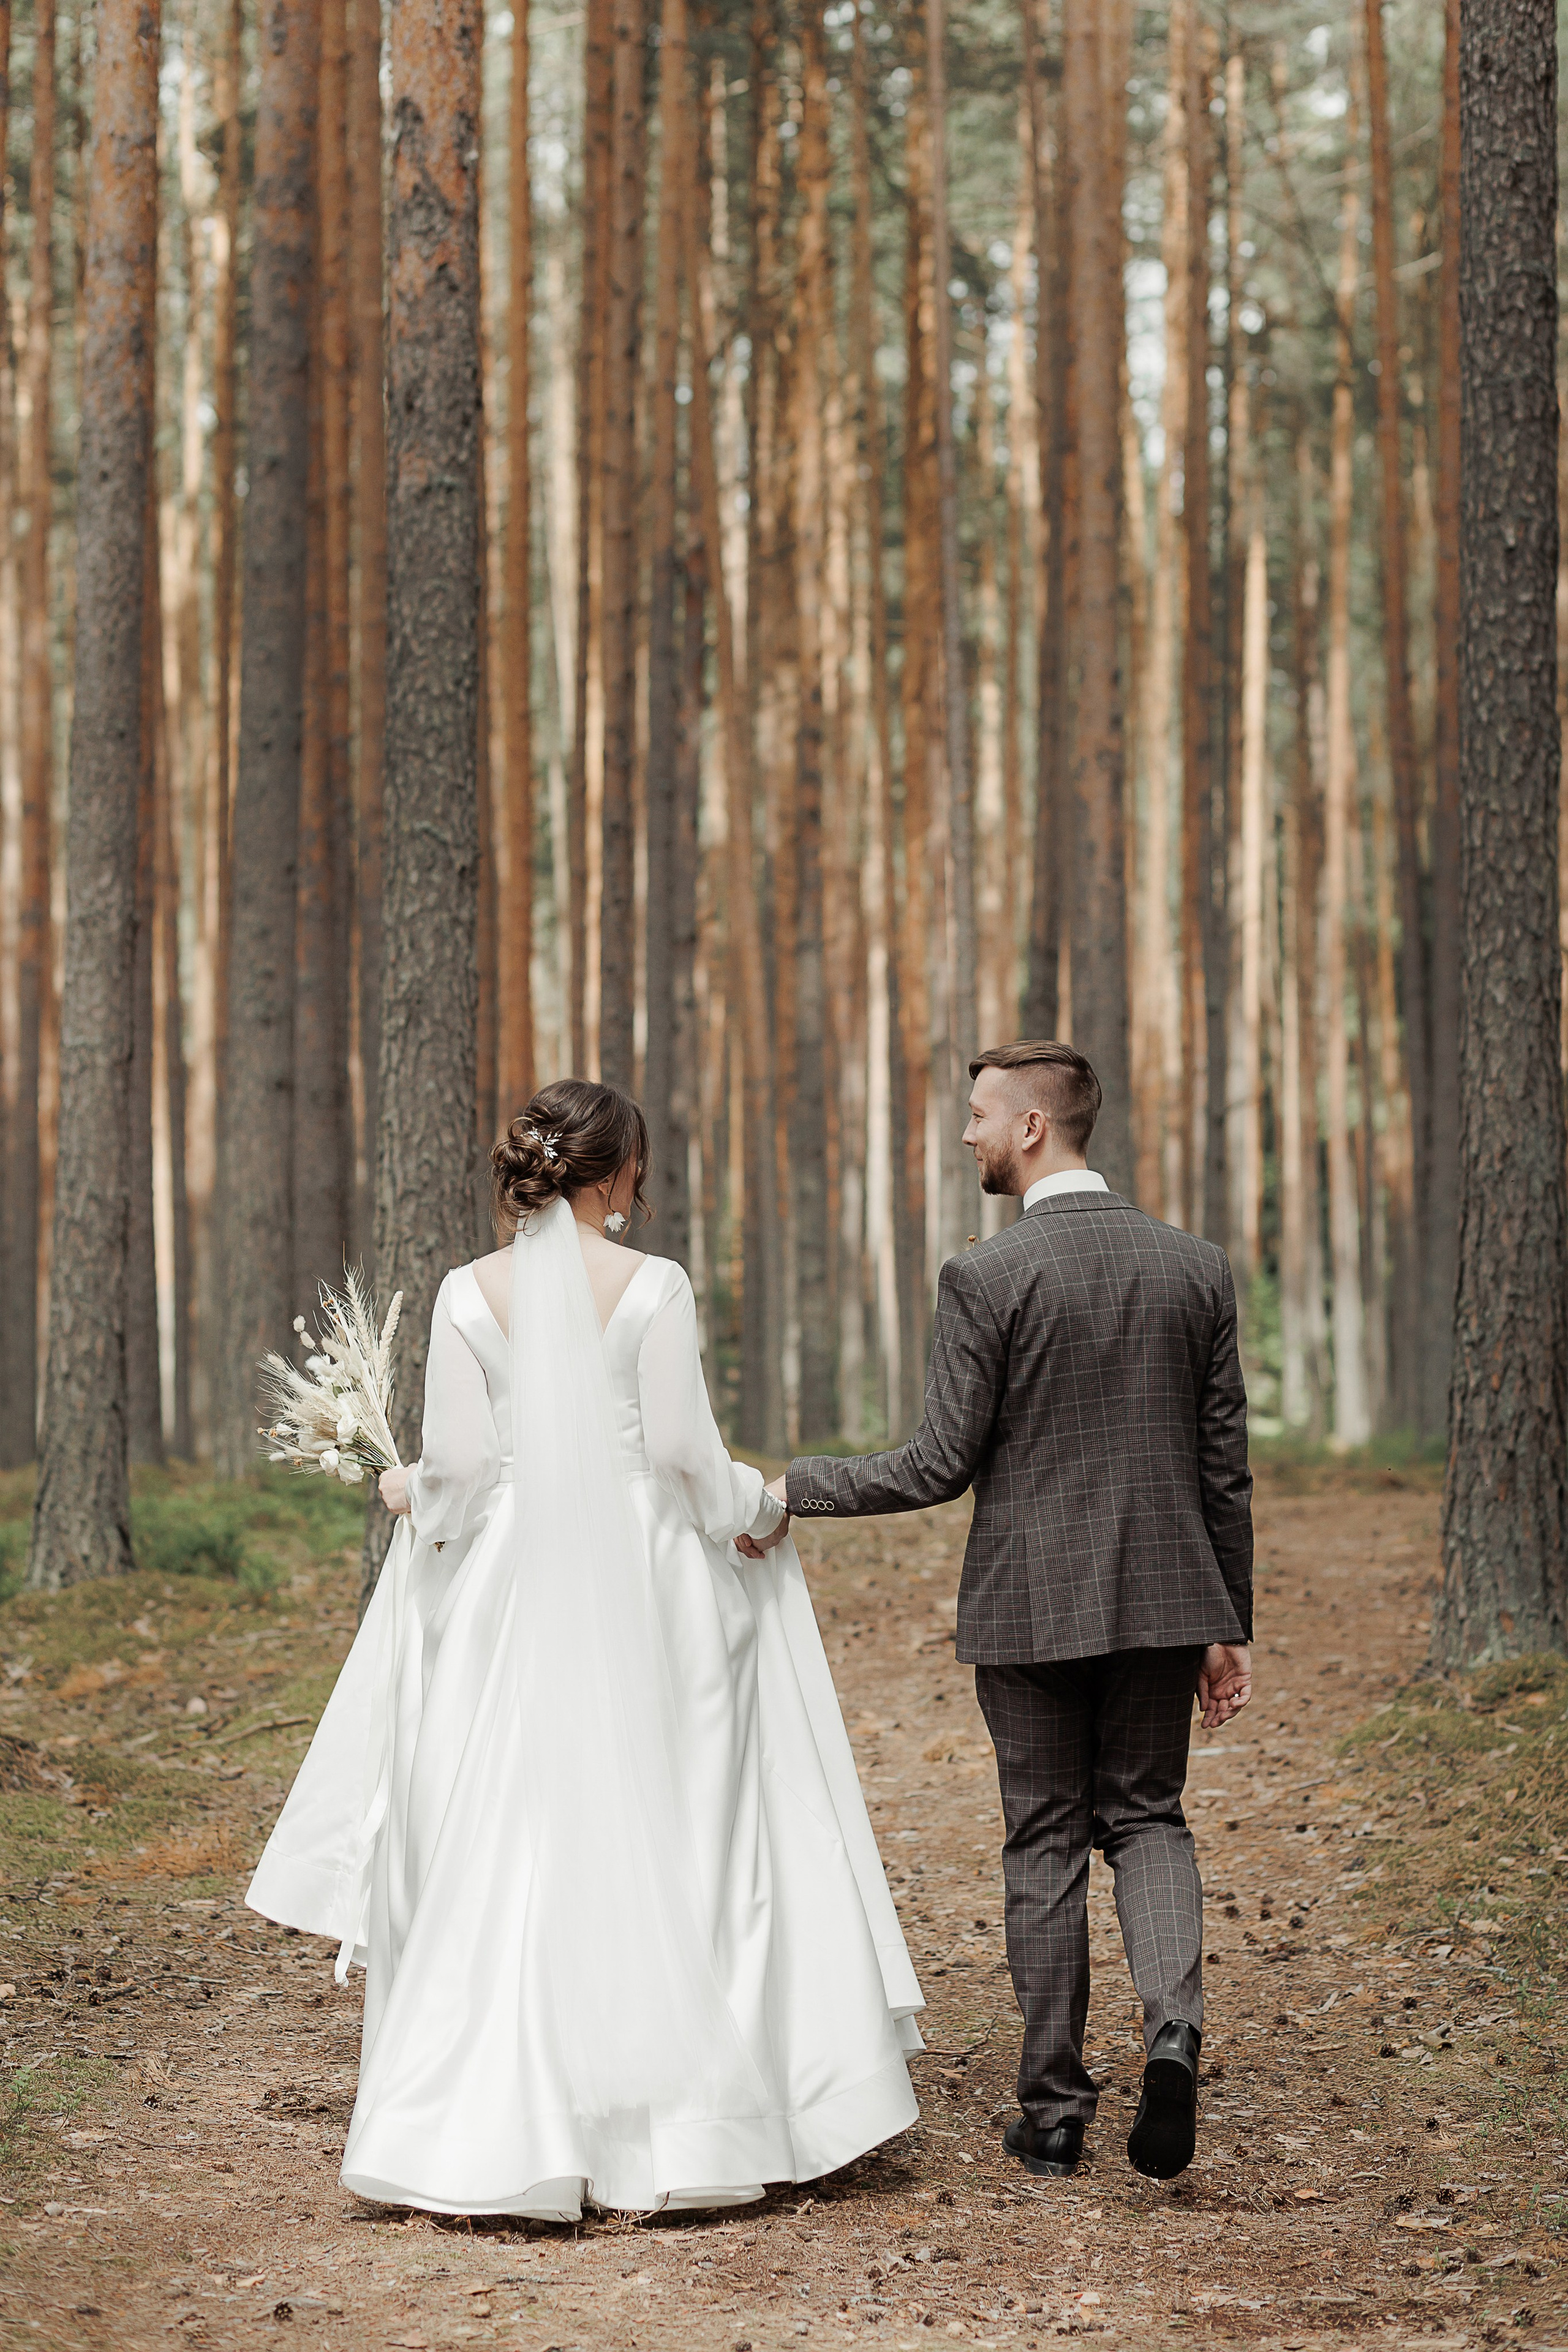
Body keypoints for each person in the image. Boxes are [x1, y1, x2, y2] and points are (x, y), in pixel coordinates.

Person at [247, 1077, 922, 2220]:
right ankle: (703, 2116)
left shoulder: (468, 1292)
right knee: (686, 1816)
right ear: (615, 1174)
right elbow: (678, 1455)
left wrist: (402, 1486)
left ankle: (496, 2122)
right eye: (639, 1169)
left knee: (509, 1828)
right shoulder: (653, 1285)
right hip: (648, 1574)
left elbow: (456, 1481)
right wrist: (757, 1508)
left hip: (511, 1576)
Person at [772, 1039, 1253, 2183]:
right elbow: (1222, 1466)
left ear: (1035, 1127)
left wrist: (795, 1486)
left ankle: (1054, 2112)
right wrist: (1228, 1616)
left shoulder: (986, 1277)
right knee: (1149, 1820)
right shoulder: (1196, 1267)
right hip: (1166, 1597)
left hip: (1031, 1606)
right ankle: (1172, 2034)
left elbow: (939, 1462)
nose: (970, 1135)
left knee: (1044, 1839)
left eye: (982, 1115)